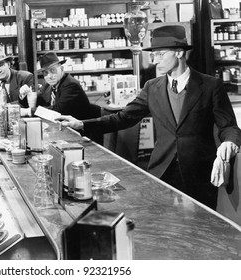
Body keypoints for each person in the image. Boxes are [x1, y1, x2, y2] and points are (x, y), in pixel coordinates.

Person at [56, 25, 241, 210]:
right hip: (162, 172)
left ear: (179, 53)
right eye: (153, 55)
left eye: (160, 54)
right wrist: (81, 124)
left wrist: (229, 143)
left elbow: (229, 127)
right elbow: (123, 117)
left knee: (202, 229)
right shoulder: (152, 87)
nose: (155, 61)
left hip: (200, 174)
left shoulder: (210, 86)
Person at [36, 52, 93, 121]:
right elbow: (38, 99)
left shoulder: (70, 85)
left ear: (62, 69)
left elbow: (58, 110)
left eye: (53, 70)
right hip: (61, 125)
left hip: (78, 128)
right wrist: (25, 95)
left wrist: (30, 111)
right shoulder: (48, 83)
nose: (49, 76)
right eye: (45, 73)